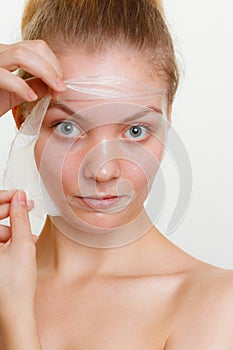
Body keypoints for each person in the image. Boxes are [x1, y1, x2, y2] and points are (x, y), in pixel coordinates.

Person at [0, 1, 233, 349]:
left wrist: (15, 318)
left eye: (135, 131)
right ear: (22, 119)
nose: (103, 170)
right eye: (67, 127)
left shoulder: (217, 305)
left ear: (167, 116)